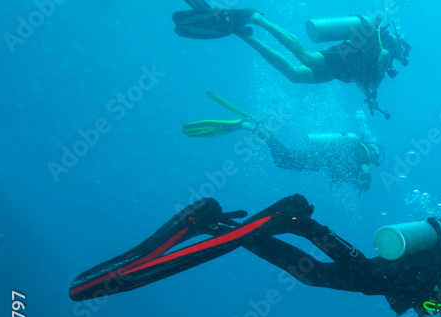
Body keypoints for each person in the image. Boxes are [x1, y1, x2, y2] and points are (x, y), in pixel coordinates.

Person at [68, 194, 441, 317]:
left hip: (381, 278)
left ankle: (220, 229)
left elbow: (429, 301)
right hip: (379, 276)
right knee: (357, 271)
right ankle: (302, 223)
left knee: (317, 278)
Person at [173, 1, 410, 118]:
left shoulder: (386, 51)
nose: (403, 56)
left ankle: (245, 35)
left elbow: (365, 77)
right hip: (347, 58)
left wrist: (371, 89)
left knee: (295, 75)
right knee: (307, 58)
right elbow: (384, 57)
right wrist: (381, 70)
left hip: (344, 70)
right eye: (404, 52)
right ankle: (255, 18)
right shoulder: (388, 44)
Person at [182, 92, 384, 192]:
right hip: (316, 157)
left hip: (315, 160)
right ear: (373, 151)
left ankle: (258, 129)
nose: (374, 159)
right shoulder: (363, 152)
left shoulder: (356, 155)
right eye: (376, 156)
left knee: (282, 160)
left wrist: (357, 185)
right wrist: (367, 182)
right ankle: (253, 127)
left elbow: (344, 172)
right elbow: (366, 170)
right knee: (284, 158)